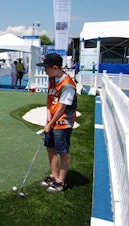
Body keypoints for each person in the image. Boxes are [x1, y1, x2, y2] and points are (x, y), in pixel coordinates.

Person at [36, 53, 77, 194]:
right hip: (52, 122)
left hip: (63, 123)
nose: (44, 71)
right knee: (50, 148)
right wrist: (48, 119)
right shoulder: (52, 79)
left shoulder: (68, 85)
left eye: (46, 68)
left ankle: (61, 181)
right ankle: (54, 176)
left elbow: (62, 108)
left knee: (62, 152)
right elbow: (49, 100)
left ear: (54, 67)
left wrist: (50, 124)